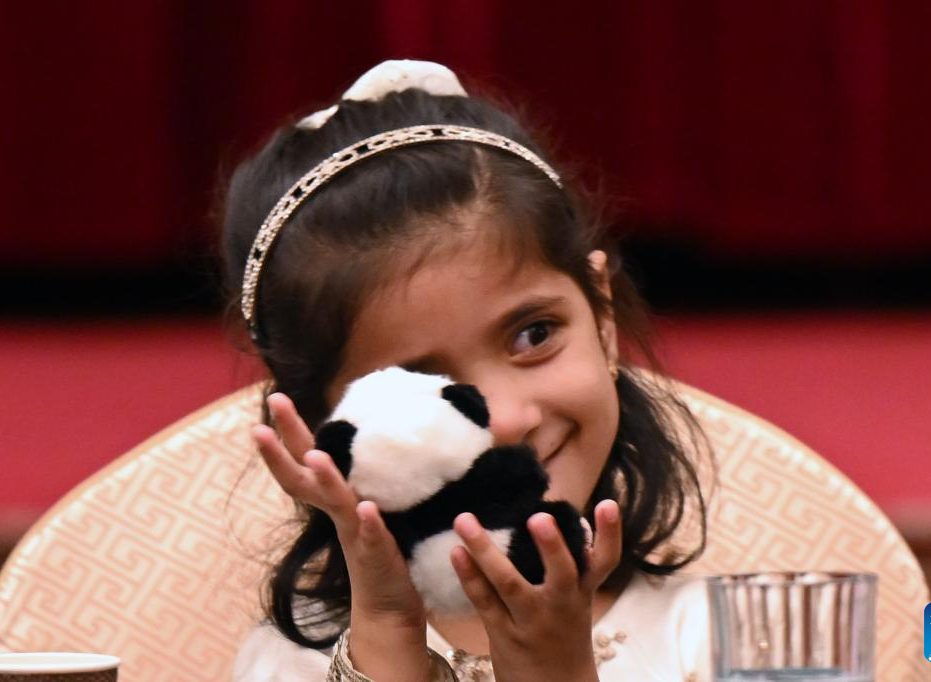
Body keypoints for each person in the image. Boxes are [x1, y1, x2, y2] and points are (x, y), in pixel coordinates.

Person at [221, 60, 712, 682]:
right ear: (326, 431)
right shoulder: (293, 663)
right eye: (423, 388)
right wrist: (388, 632)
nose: (505, 420)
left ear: (603, 319)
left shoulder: (712, 639)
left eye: (534, 335)